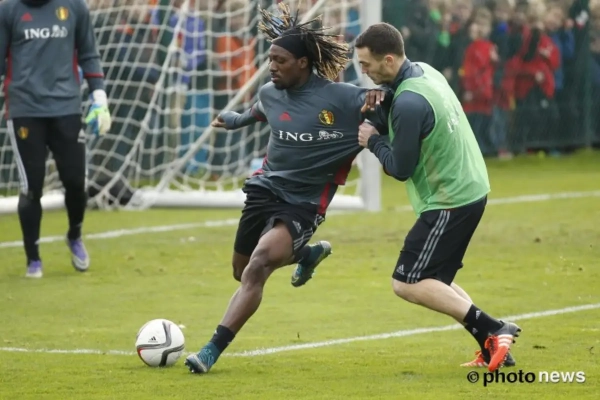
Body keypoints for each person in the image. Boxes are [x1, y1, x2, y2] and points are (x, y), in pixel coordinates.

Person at [184, 3, 387, 374]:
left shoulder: (342, 98)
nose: (272, 66)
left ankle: (210, 350)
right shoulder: (270, 92)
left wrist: (381, 93)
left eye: (280, 60)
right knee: (241, 270)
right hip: (264, 190)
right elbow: (259, 112)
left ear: (303, 63)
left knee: (259, 265)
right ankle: (306, 254)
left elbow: (390, 102)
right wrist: (235, 120)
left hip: (304, 202)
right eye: (270, 59)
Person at [353, 22, 521, 372]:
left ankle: (494, 328)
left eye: (366, 64)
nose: (363, 71)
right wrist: (382, 102)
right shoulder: (423, 72)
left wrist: (373, 140)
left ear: (387, 60)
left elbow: (400, 167)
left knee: (407, 282)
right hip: (469, 188)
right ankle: (492, 345)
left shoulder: (409, 102)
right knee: (434, 279)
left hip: (450, 200)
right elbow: (407, 115)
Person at [0, 0, 112, 278]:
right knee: (31, 187)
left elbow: (88, 53)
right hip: (25, 110)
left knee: (75, 183)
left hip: (66, 108)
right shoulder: (8, 10)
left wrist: (99, 97)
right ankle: (33, 259)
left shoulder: (75, 7)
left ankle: (74, 234)